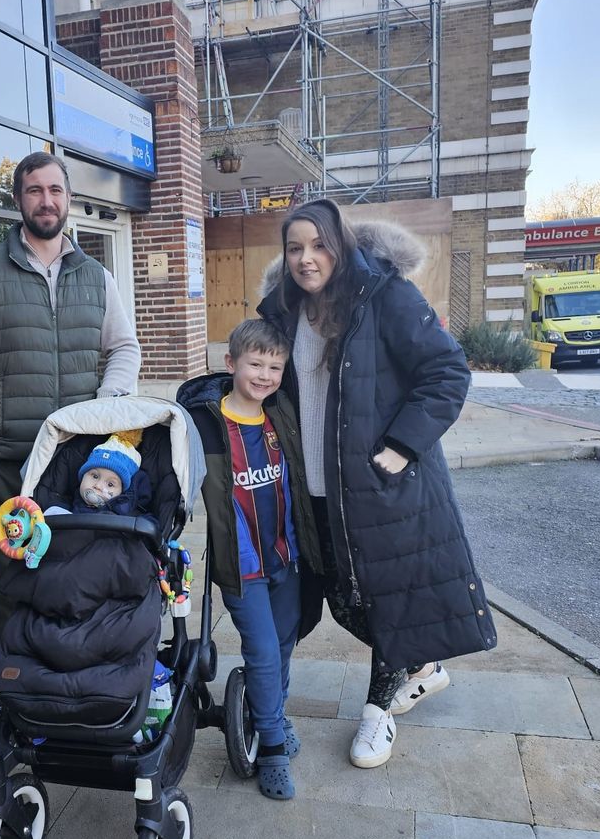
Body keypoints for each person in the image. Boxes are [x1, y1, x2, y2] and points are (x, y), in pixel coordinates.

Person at [257, 198, 496, 768]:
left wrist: (401, 446)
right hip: (312, 488)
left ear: (340, 246)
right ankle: (422, 664)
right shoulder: (282, 311)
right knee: (345, 602)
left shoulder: (383, 296)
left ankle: (377, 714)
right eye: (295, 248)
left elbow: (446, 373)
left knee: (384, 599)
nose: (306, 259)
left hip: (377, 489)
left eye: (318, 246)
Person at [0, 152, 141, 652]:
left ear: (69, 198)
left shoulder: (96, 275)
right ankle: (13, 701)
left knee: (77, 580)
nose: (46, 201)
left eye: (55, 190)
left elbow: (124, 347)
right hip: (7, 464)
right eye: (35, 191)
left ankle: (70, 695)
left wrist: (105, 406)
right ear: (18, 201)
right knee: (10, 585)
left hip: (76, 465)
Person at [178, 319, 323, 801]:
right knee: (261, 651)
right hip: (242, 567)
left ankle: (273, 716)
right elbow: (170, 474)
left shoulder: (281, 414)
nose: (264, 375)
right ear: (231, 364)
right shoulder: (204, 424)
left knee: (283, 646)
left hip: (287, 558)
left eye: (274, 366)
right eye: (255, 364)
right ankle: (273, 751)